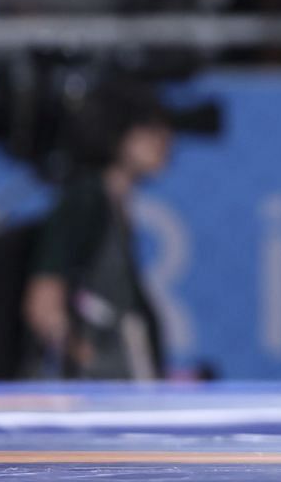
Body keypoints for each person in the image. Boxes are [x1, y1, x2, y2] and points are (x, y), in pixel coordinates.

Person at [22, 79, 173, 380]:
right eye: (148, 129)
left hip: (120, 384)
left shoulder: (114, 203)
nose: (164, 140)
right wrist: (84, 360)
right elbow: (43, 301)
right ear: (116, 133)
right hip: (92, 394)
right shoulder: (86, 199)